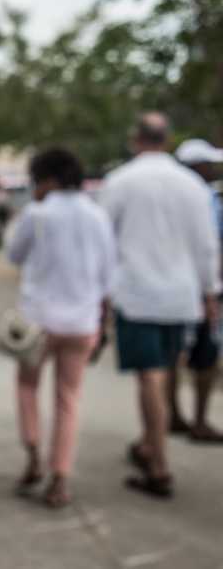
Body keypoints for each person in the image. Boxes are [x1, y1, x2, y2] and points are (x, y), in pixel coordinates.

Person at [100, 113, 222, 498]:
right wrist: (209, 292)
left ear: (136, 139)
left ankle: (159, 463)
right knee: (166, 369)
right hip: (181, 295)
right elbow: (206, 246)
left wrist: (100, 296)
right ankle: (151, 442)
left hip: (137, 294)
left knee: (150, 375)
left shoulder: (120, 182)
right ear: (167, 140)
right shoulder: (191, 186)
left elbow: (104, 245)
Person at [7, 147, 115, 508]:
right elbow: (108, 275)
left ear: (49, 180)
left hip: (39, 320)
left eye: (35, 181)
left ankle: (34, 454)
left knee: (27, 387)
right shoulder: (98, 216)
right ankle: (60, 478)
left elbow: (14, 255)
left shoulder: (37, 214)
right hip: (82, 321)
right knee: (69, 399)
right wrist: (105, 318)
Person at [168, 139, 223, 442]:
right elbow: (211, 247)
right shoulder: (204, 198)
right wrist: (212, 292)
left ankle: (173, 415)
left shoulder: (169, 197)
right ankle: (199, 420)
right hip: (202, 288)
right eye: (210, 163)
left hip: (174, 287)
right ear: (198, 166)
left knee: (172, 356)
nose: (214, 168)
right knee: (206, 357)